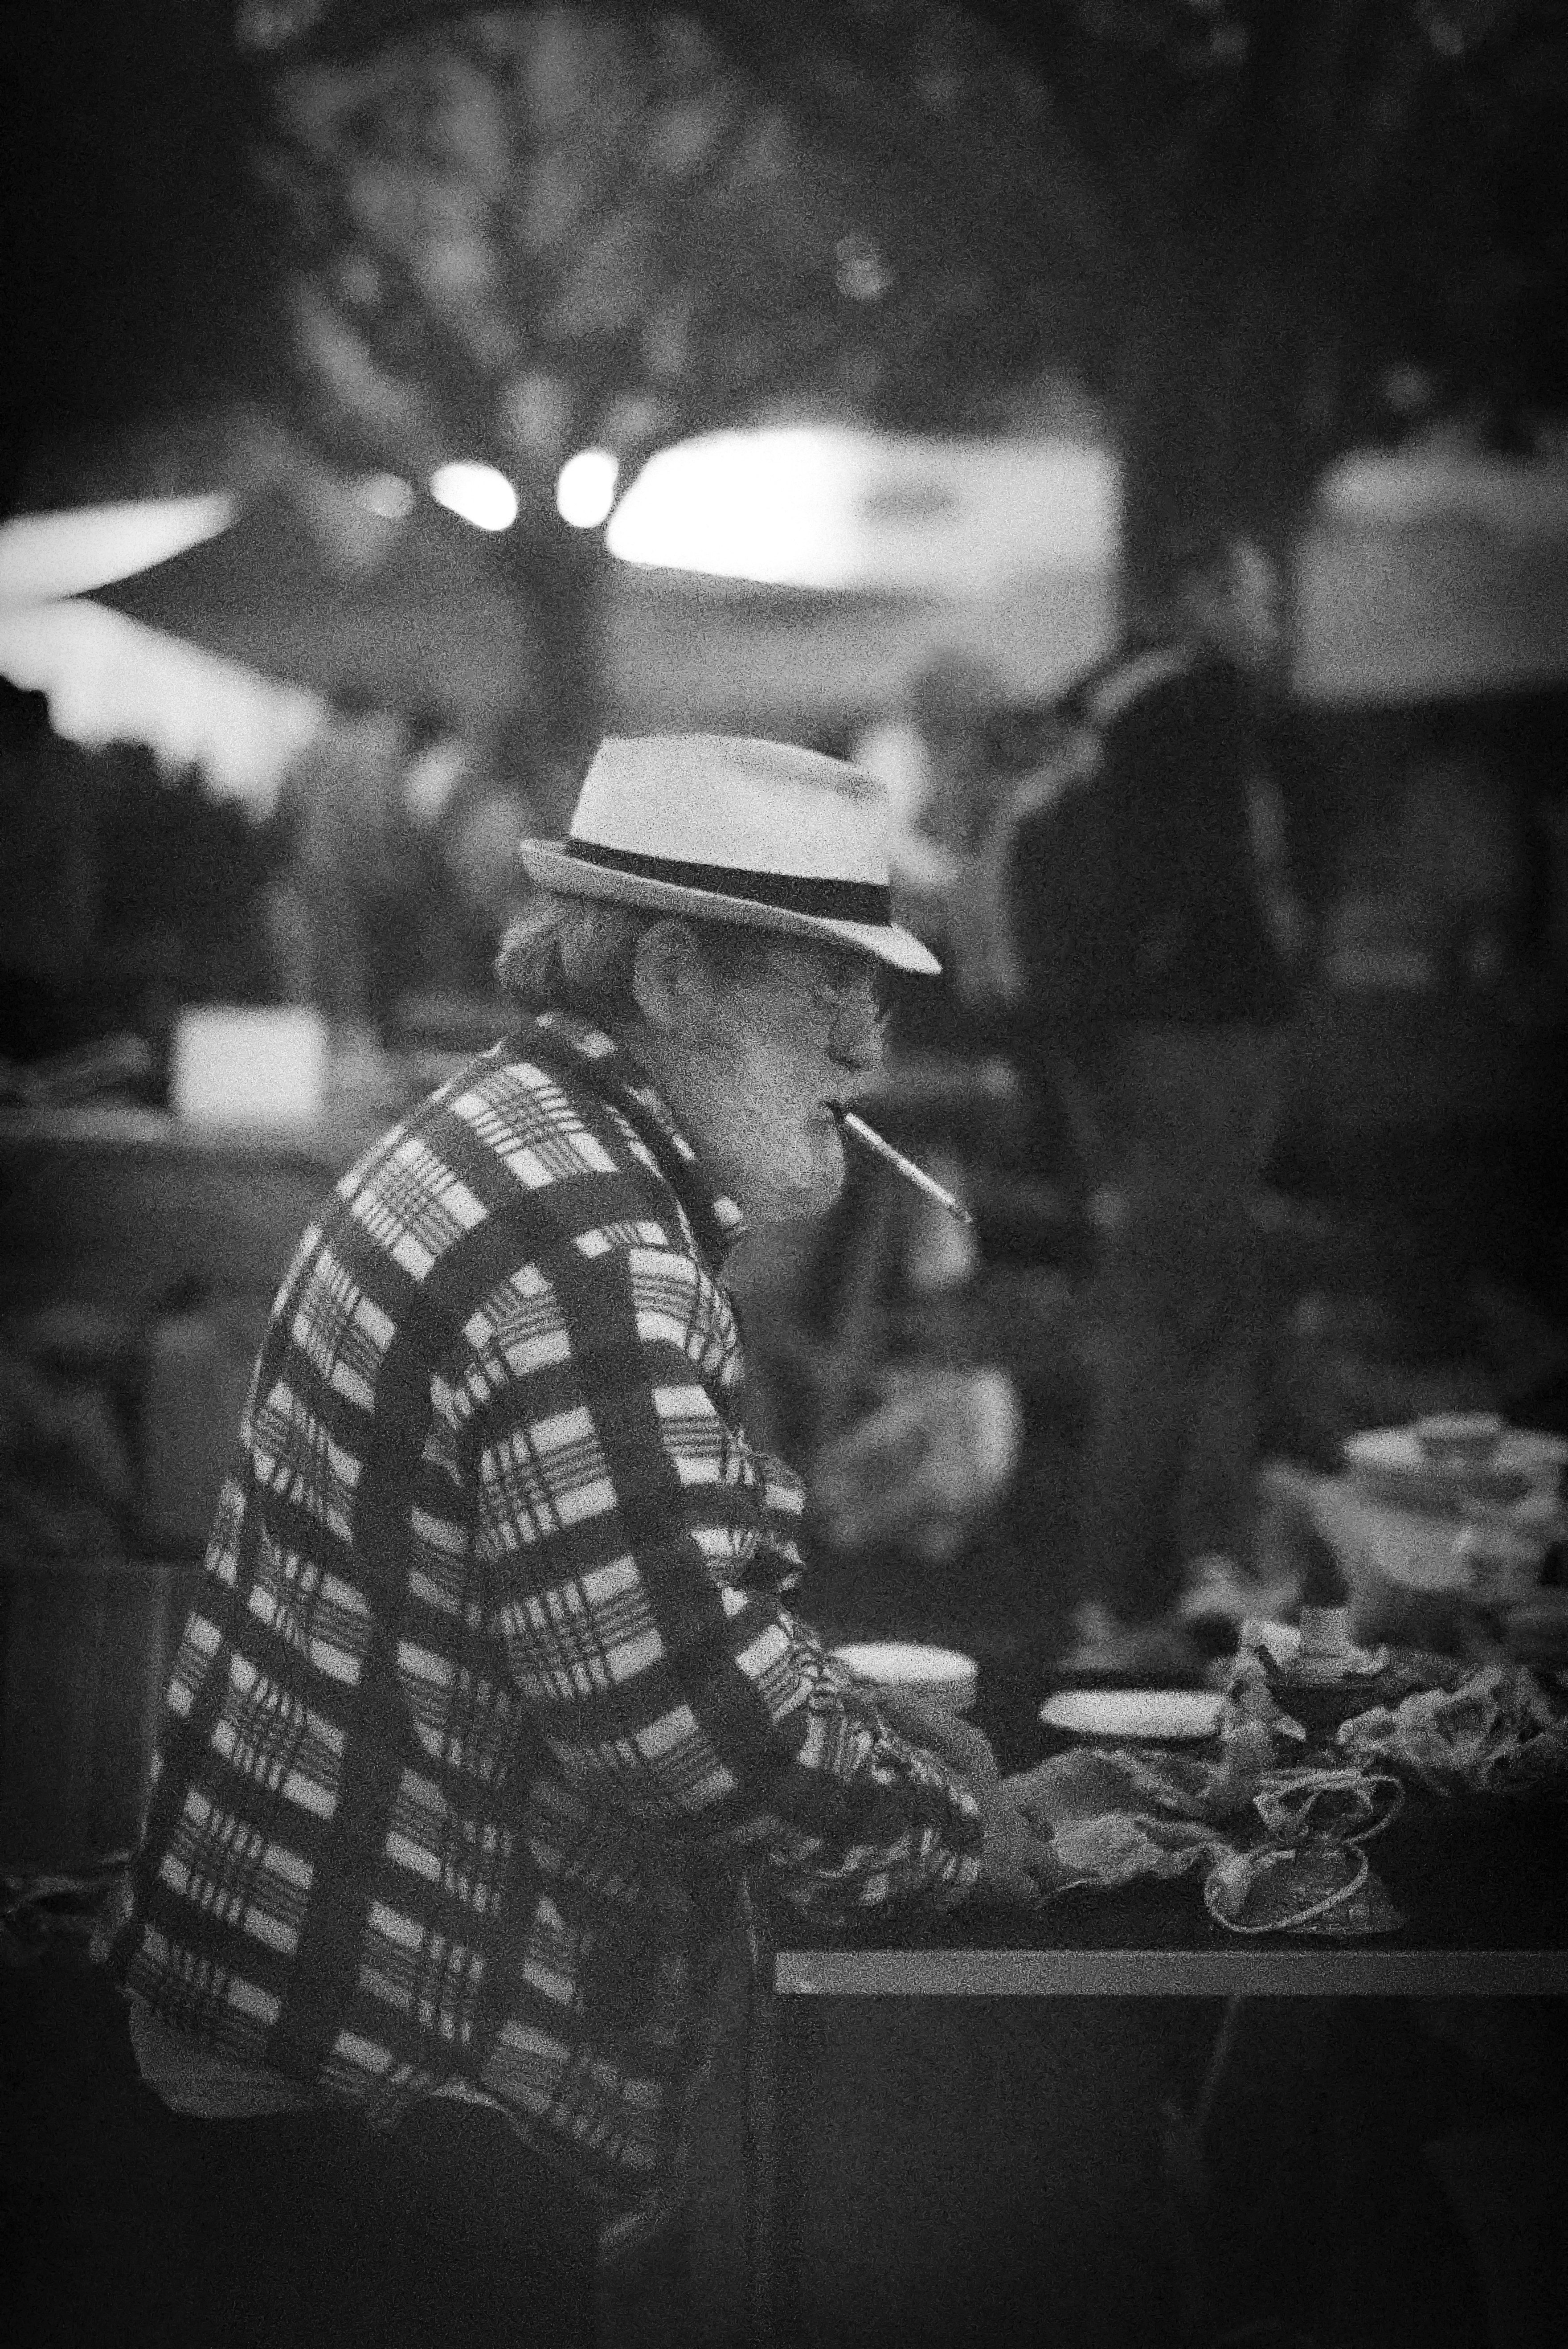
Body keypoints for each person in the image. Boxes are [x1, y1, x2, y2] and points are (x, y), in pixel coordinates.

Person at [106, 733, 1057, 2349]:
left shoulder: (536, 1137)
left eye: (876, 996)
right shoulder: (588, 1236)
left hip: (305, 2026)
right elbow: (678, 1720)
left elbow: (637, 1610)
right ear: (675, 977)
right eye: (827, 989)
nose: (869, 1049)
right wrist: (970, 1838)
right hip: (369, 2087)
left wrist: (865, 1726)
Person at [980, 537, 1308, 1670]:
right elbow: (1215, 881)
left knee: (1193, 1296)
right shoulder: (1195, 704)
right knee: (1180, 1306)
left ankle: (1186, 1566)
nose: (1272, 627)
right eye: (1258, 599)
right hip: (1201, 1038)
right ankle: (1129, 1591)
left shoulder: (1101, 703)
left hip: (1130, 1043)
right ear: (1203, 596)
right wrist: (1251, 977)